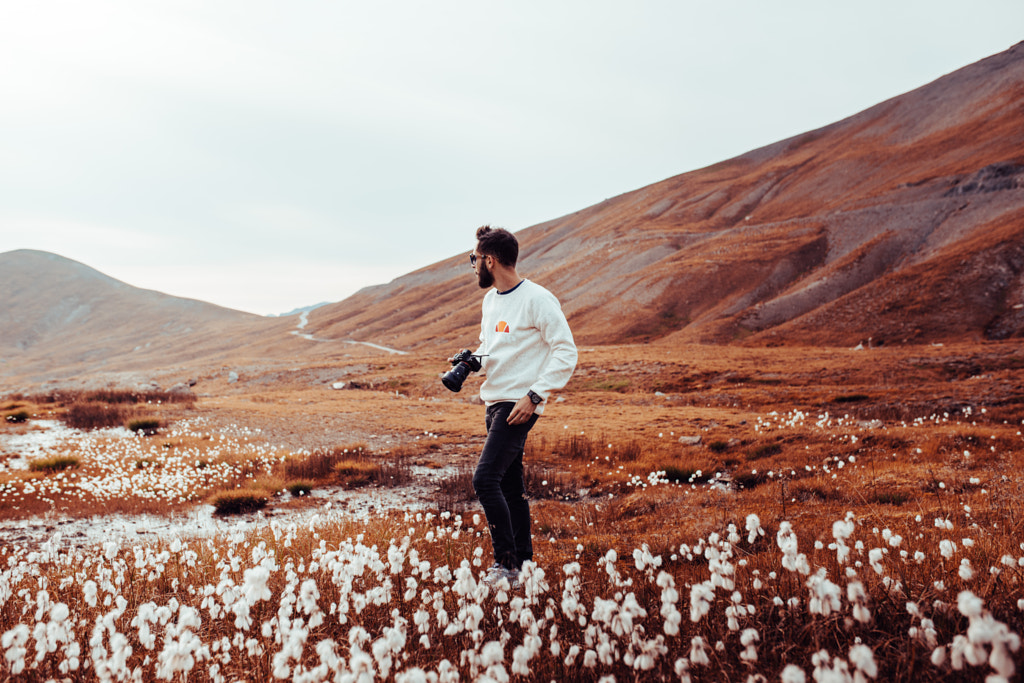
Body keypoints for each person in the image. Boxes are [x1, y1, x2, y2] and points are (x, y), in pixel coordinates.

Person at [464, 225, 577, 587]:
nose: (473, 266)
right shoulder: (491, 300)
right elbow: (489, 344)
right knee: (510, 488)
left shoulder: (537, 299)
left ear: (490, 260)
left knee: (484, 480)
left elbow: (565, 350)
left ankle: (506, 564)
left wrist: (535, 396)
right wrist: (471, 361)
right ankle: (524, 566)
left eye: (474, 259)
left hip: (518, 405)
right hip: (495, 401)